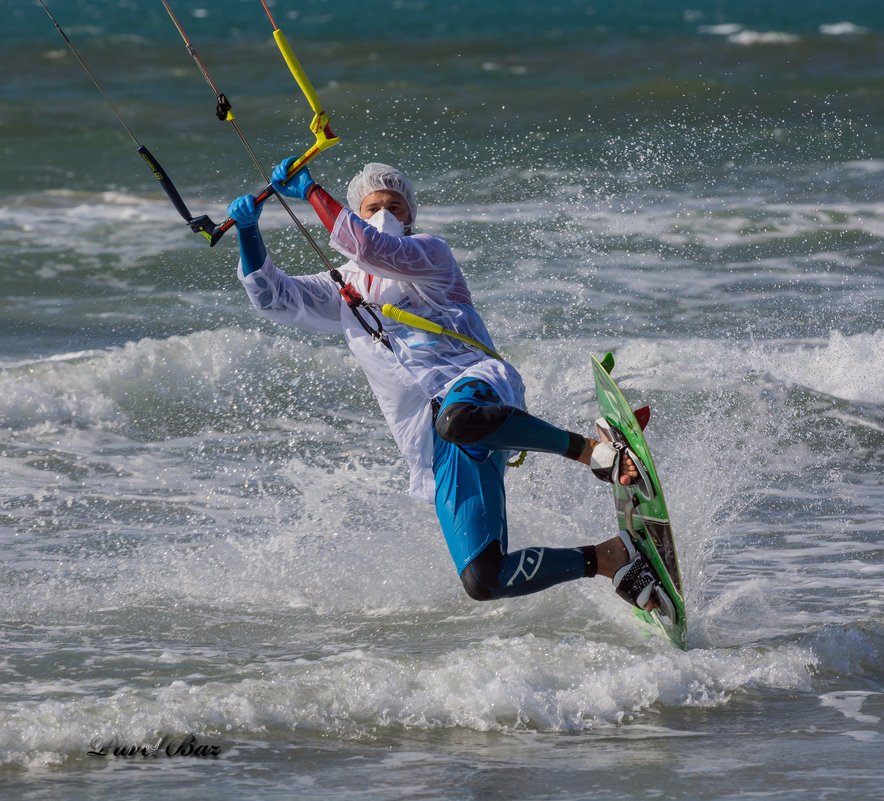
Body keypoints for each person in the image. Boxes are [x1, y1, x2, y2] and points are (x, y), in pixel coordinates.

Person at [226, 158, 673, 615]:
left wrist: (311, 191)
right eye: (373, 206)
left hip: (475, 389)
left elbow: (370, 247)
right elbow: (272, 298)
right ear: (356, 213)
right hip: (433, 443)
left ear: (410, 216)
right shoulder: (341, 287)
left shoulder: (428, 255)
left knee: (456, 419)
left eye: (395, 206)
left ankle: (596, 452)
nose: (384, 212)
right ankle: (611, 558)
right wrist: (248, 231)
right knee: (485, 579)